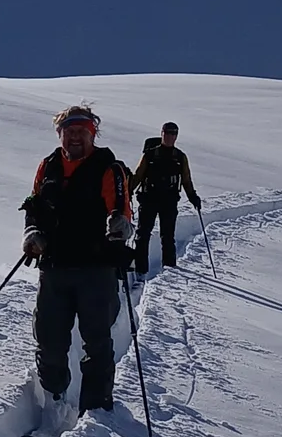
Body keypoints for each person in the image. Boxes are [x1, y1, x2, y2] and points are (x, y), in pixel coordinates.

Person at [22, 104, 134, 417]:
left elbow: (123, 210)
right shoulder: (48, 166)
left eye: (81, 132)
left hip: (96, 269)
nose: (74, 138)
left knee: (97, 341)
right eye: (68, 132)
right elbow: (34, 205)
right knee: (49, 338)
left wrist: (120, 226)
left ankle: (96, 412)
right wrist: (32, 233)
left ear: (92, 134)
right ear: (60, 135)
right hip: (55, 267)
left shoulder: (108, 167)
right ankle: (55, 399)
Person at [132, 120, 202, 276]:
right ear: (161, 133)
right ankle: (140, 270)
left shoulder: (180, 157)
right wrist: (128, 191)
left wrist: (193, 197)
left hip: (169, 201)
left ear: (176, 136)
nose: (170, 136)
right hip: (149, 198)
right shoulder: (149, 155)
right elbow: (138, 175)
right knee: (142, 235)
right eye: (167, 132)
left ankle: (169, 271)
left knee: (168, 236)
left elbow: (186, 180)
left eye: (173, 133)